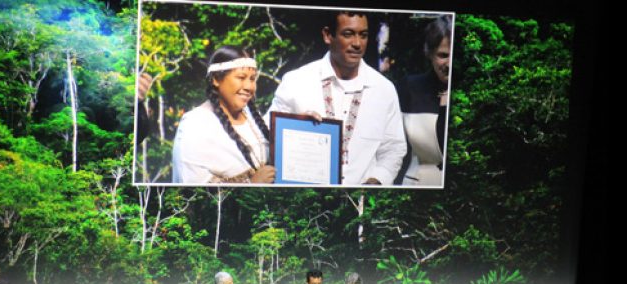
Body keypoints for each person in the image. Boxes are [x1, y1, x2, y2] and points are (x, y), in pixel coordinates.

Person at [266, 11, 407, 186]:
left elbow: (394, 148)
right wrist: (295, 126)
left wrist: (376, 182)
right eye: (348, 34)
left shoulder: (383, 89)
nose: (357, 43)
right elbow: (266, 137)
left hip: (363, 199)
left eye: (363, 35)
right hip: (304, 195)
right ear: (327, 35)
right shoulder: (296, 82)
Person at [172, 46, 275, 184]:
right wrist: (253, 185)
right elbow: (193, 189)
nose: (249, 86)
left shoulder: (252, 117)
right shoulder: (195, 125)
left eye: (252, 79)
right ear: (216, 79)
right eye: (241, 77)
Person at [397, 15, 452, 186]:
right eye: (443, 55)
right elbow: (394, 148)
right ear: (429, 53)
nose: (449, 64)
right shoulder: (410, 87)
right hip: (416, 185)